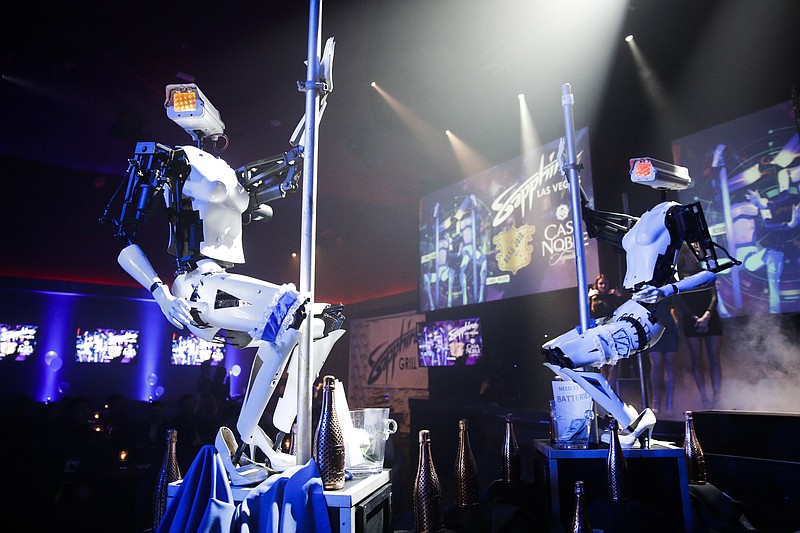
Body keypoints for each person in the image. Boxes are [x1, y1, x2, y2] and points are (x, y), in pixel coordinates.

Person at [676, 245, 724, 408]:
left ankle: (718, 396)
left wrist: (706, 316)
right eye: (694, 249)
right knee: (697, 359)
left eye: (698, 249)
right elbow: (680, 301)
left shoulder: (706, 272)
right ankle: (704, 397)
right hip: (692, 319)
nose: (698, 251)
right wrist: (695, 318)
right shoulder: (680, 276)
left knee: (714, 358)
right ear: (686, 253)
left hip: (710, 318)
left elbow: (714, 297)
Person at [588, 274, 626, 389]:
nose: (603, 286)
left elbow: (622, 310)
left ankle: (611, 390)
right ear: (596, 285)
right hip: (599, 331)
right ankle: (605, 390)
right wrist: (588, 297)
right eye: (601, 283)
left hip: (612, 330)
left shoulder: (613, 297)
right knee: (603, 364)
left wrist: (619, 296)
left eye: (605, 283)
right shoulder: (593, 298)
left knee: (614, 362)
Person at [646, 299, 679, 414]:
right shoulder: (644, 287)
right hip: (653, 327)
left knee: (669, 364)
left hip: (669, 327)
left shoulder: (667, 287)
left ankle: (670, 403)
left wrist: (676, 319)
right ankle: (656, 400)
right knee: (656, 364)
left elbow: (675, 305)